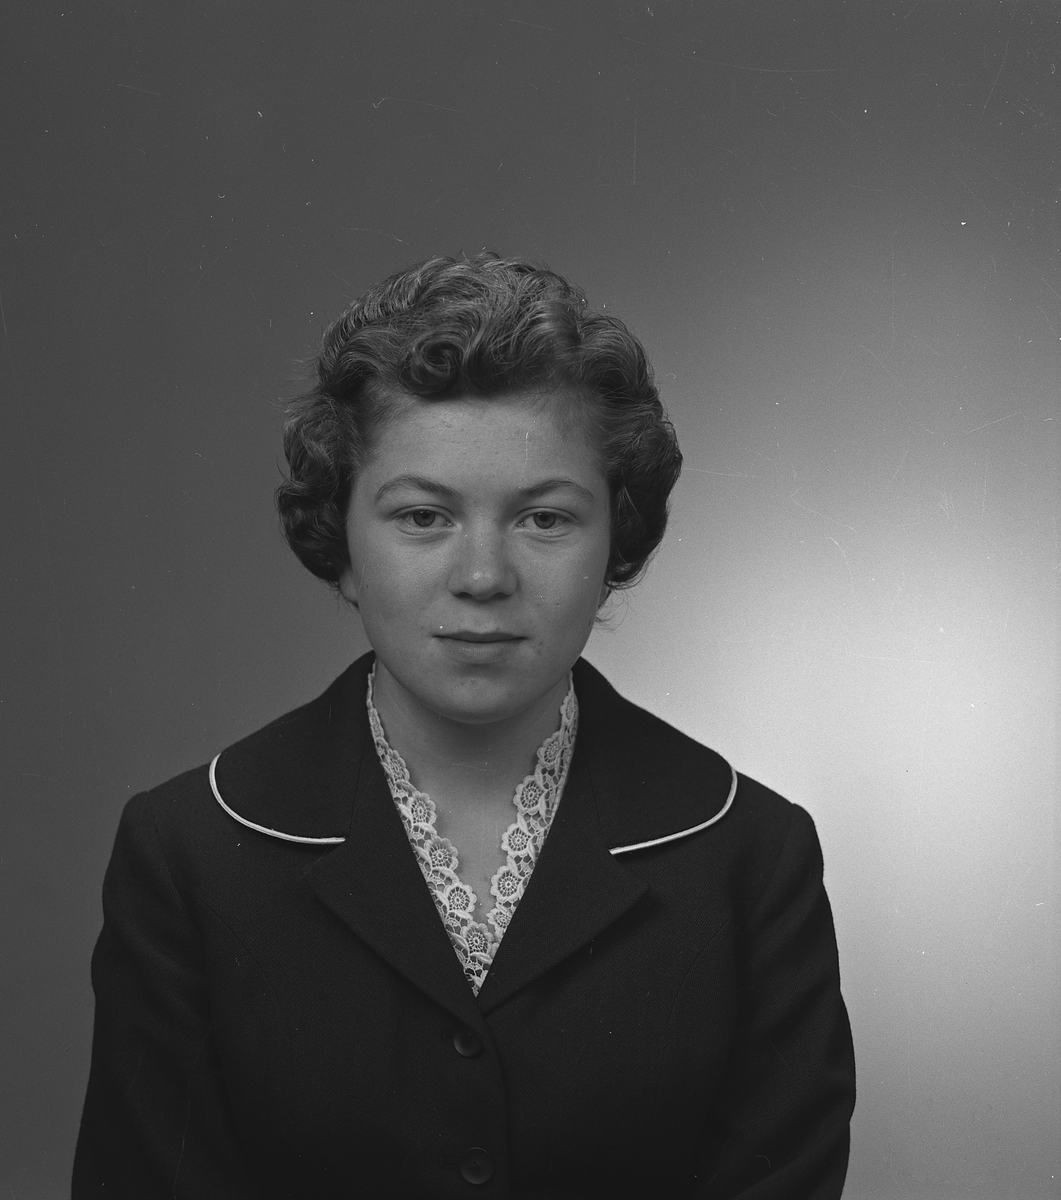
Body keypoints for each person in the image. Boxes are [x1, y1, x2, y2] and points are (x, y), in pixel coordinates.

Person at [72, 253, 855, 1198]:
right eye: (422, 517)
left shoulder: (749, 855)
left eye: (544, 519)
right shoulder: (189, 852)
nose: (482, 576)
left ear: (618, 540)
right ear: (338, 538)